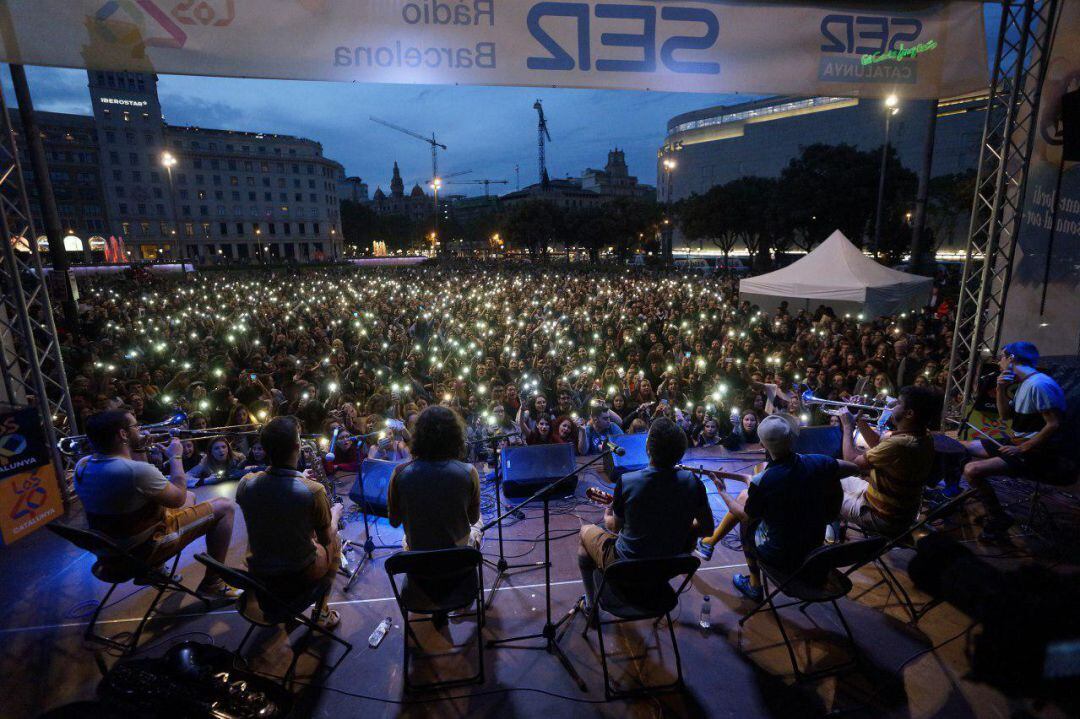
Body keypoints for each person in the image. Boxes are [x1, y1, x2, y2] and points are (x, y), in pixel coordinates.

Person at [73, 409, 238, 600]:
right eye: (136, 426)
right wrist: (176, 457)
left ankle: (154, 571)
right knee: (225, 506)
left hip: (112, 553)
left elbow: (144, 484)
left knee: (192, 497)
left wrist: (140, 449)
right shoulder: (133, 471)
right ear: (123, 434)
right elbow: (177, 497)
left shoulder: (83, 465)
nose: (141, 429)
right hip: (144, 550)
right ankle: (212, 584)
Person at [695, 414, 858, 602]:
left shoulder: (762, 481)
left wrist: (722, 491)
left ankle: (754, 584)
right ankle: (709, 543)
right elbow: (853, 468)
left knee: (747, 524)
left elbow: (745, 515)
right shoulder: (819, 462)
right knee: (748, 498)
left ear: (762, 446)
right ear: (792, 439)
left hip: (782, 558)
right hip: (815, 552)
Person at [577, 417, 714, 613]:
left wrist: (609, 511)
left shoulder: (628, 481)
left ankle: (590, 605)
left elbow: (614, 527)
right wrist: (679, 525)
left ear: (648, 448)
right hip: (669, 567)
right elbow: (707, 529)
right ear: (681, 451)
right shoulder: (693, 482)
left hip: (627, 566)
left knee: (585, 532)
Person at [235, 416, 343, 629]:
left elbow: (273, 500)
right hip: (296, 575)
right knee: (335, 538)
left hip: (258, 573)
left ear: (265, 449)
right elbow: (325, 537)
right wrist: (335, 514)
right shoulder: (313, 491)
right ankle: (322, 612)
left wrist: (295, 477)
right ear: (297, 445)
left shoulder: (246, 484)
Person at [961, 342, 1068, 542]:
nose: (999, 363)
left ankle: (998, 518)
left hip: (1037, 452)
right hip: (1019, 442)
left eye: (1001, 357)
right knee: (961, 446)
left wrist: (1021, 448)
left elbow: (1054, 425)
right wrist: (1001, 388)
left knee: (972, 470)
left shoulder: (1039, 384)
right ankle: (958, 494)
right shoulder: (1025, 383)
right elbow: (1005, 416)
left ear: (1011, 358)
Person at [837, 384, 939, 538]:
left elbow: (851, 461)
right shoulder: (923, 435)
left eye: (898, 403)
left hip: (882, 516)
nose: (891, 405)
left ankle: (831, 531)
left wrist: (847, 427)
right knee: (830, 476)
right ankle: (838, 522)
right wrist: (859, 418)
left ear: (909, 413)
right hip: (897, 508)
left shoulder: (901, 444)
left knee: (821, 490)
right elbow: (878, 445)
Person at [387, 406, 482, 551]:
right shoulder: (469, 471)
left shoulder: (399, 472)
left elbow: (394, 521)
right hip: (458, 558)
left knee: (406, 538)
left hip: (419, 560)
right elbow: (473, 518)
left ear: (417, 435)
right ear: (455, 436)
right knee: (479, 521)